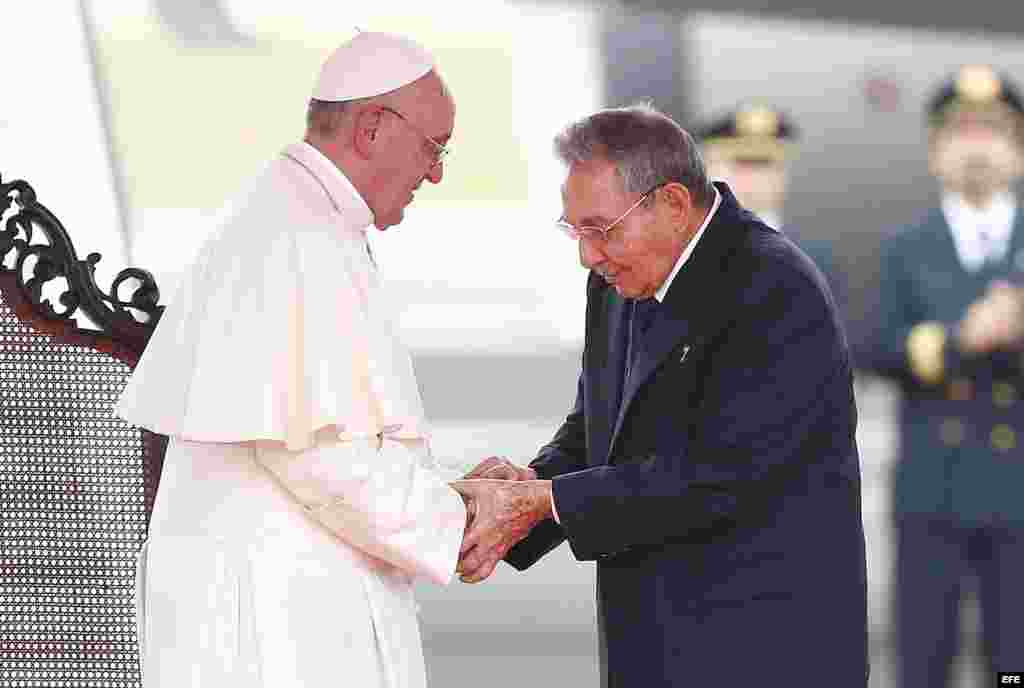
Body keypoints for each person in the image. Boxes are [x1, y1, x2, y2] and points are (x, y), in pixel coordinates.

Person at [451, 104, 869, 686]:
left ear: (672, 204)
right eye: (575, 231)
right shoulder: (616, 278)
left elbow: (720, 473)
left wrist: (547, 501)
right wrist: (526, 486)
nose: (587, 255)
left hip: (761, 647)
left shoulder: (773, 287)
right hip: (651, 642)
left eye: (602, 229)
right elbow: (598, 426)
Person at [115, 32, 471, 687]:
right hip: (271, 626)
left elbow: (333, 425)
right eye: (434, 147)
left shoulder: (309, 216)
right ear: (371, 128)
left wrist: (451, 494)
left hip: (287, 604)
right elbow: (318, 454)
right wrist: (461, 520)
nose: (437, 171)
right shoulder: (292, 232)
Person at [872, 64, 1024, 685]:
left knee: (1016, 663)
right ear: (936, 152)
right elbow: (878, 346)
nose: (978, 145)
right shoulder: (907, 246)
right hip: (933, 488)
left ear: (1017, 150)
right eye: (961, 131)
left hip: (1019, 490)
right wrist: (962, 339)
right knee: (924, 660)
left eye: (994, 131)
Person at [696, 103, 849, 325]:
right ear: (708, 168)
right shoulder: (674, 255)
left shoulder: (817, 261)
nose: (755, 177)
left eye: (765, 163)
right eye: (743, 163)